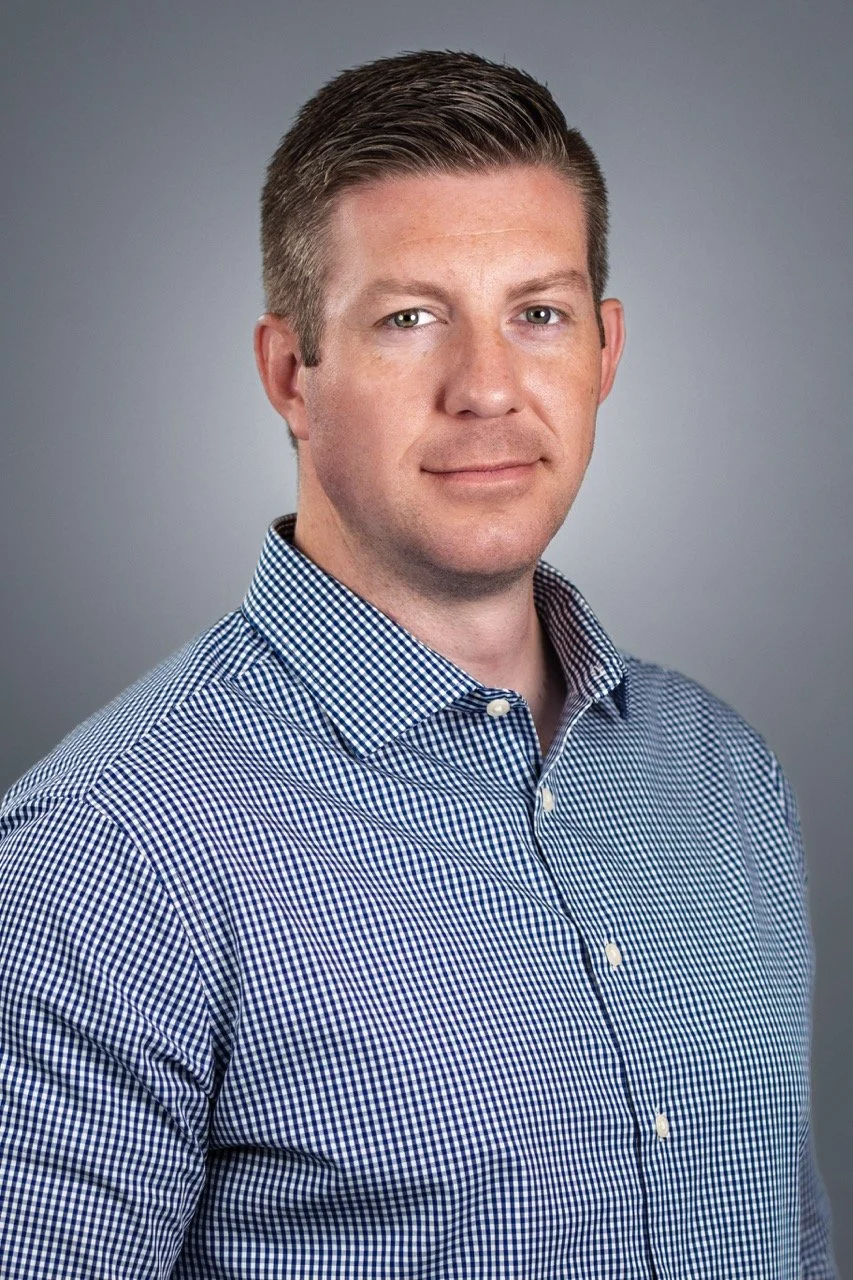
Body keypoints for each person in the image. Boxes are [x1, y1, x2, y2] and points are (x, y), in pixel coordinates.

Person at [0, 48, 836, 1278]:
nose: (487, 388)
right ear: (292, 373)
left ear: (605, 351)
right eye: (409, 319)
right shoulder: (113, 850)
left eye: (537, 313)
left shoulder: (724, 778)